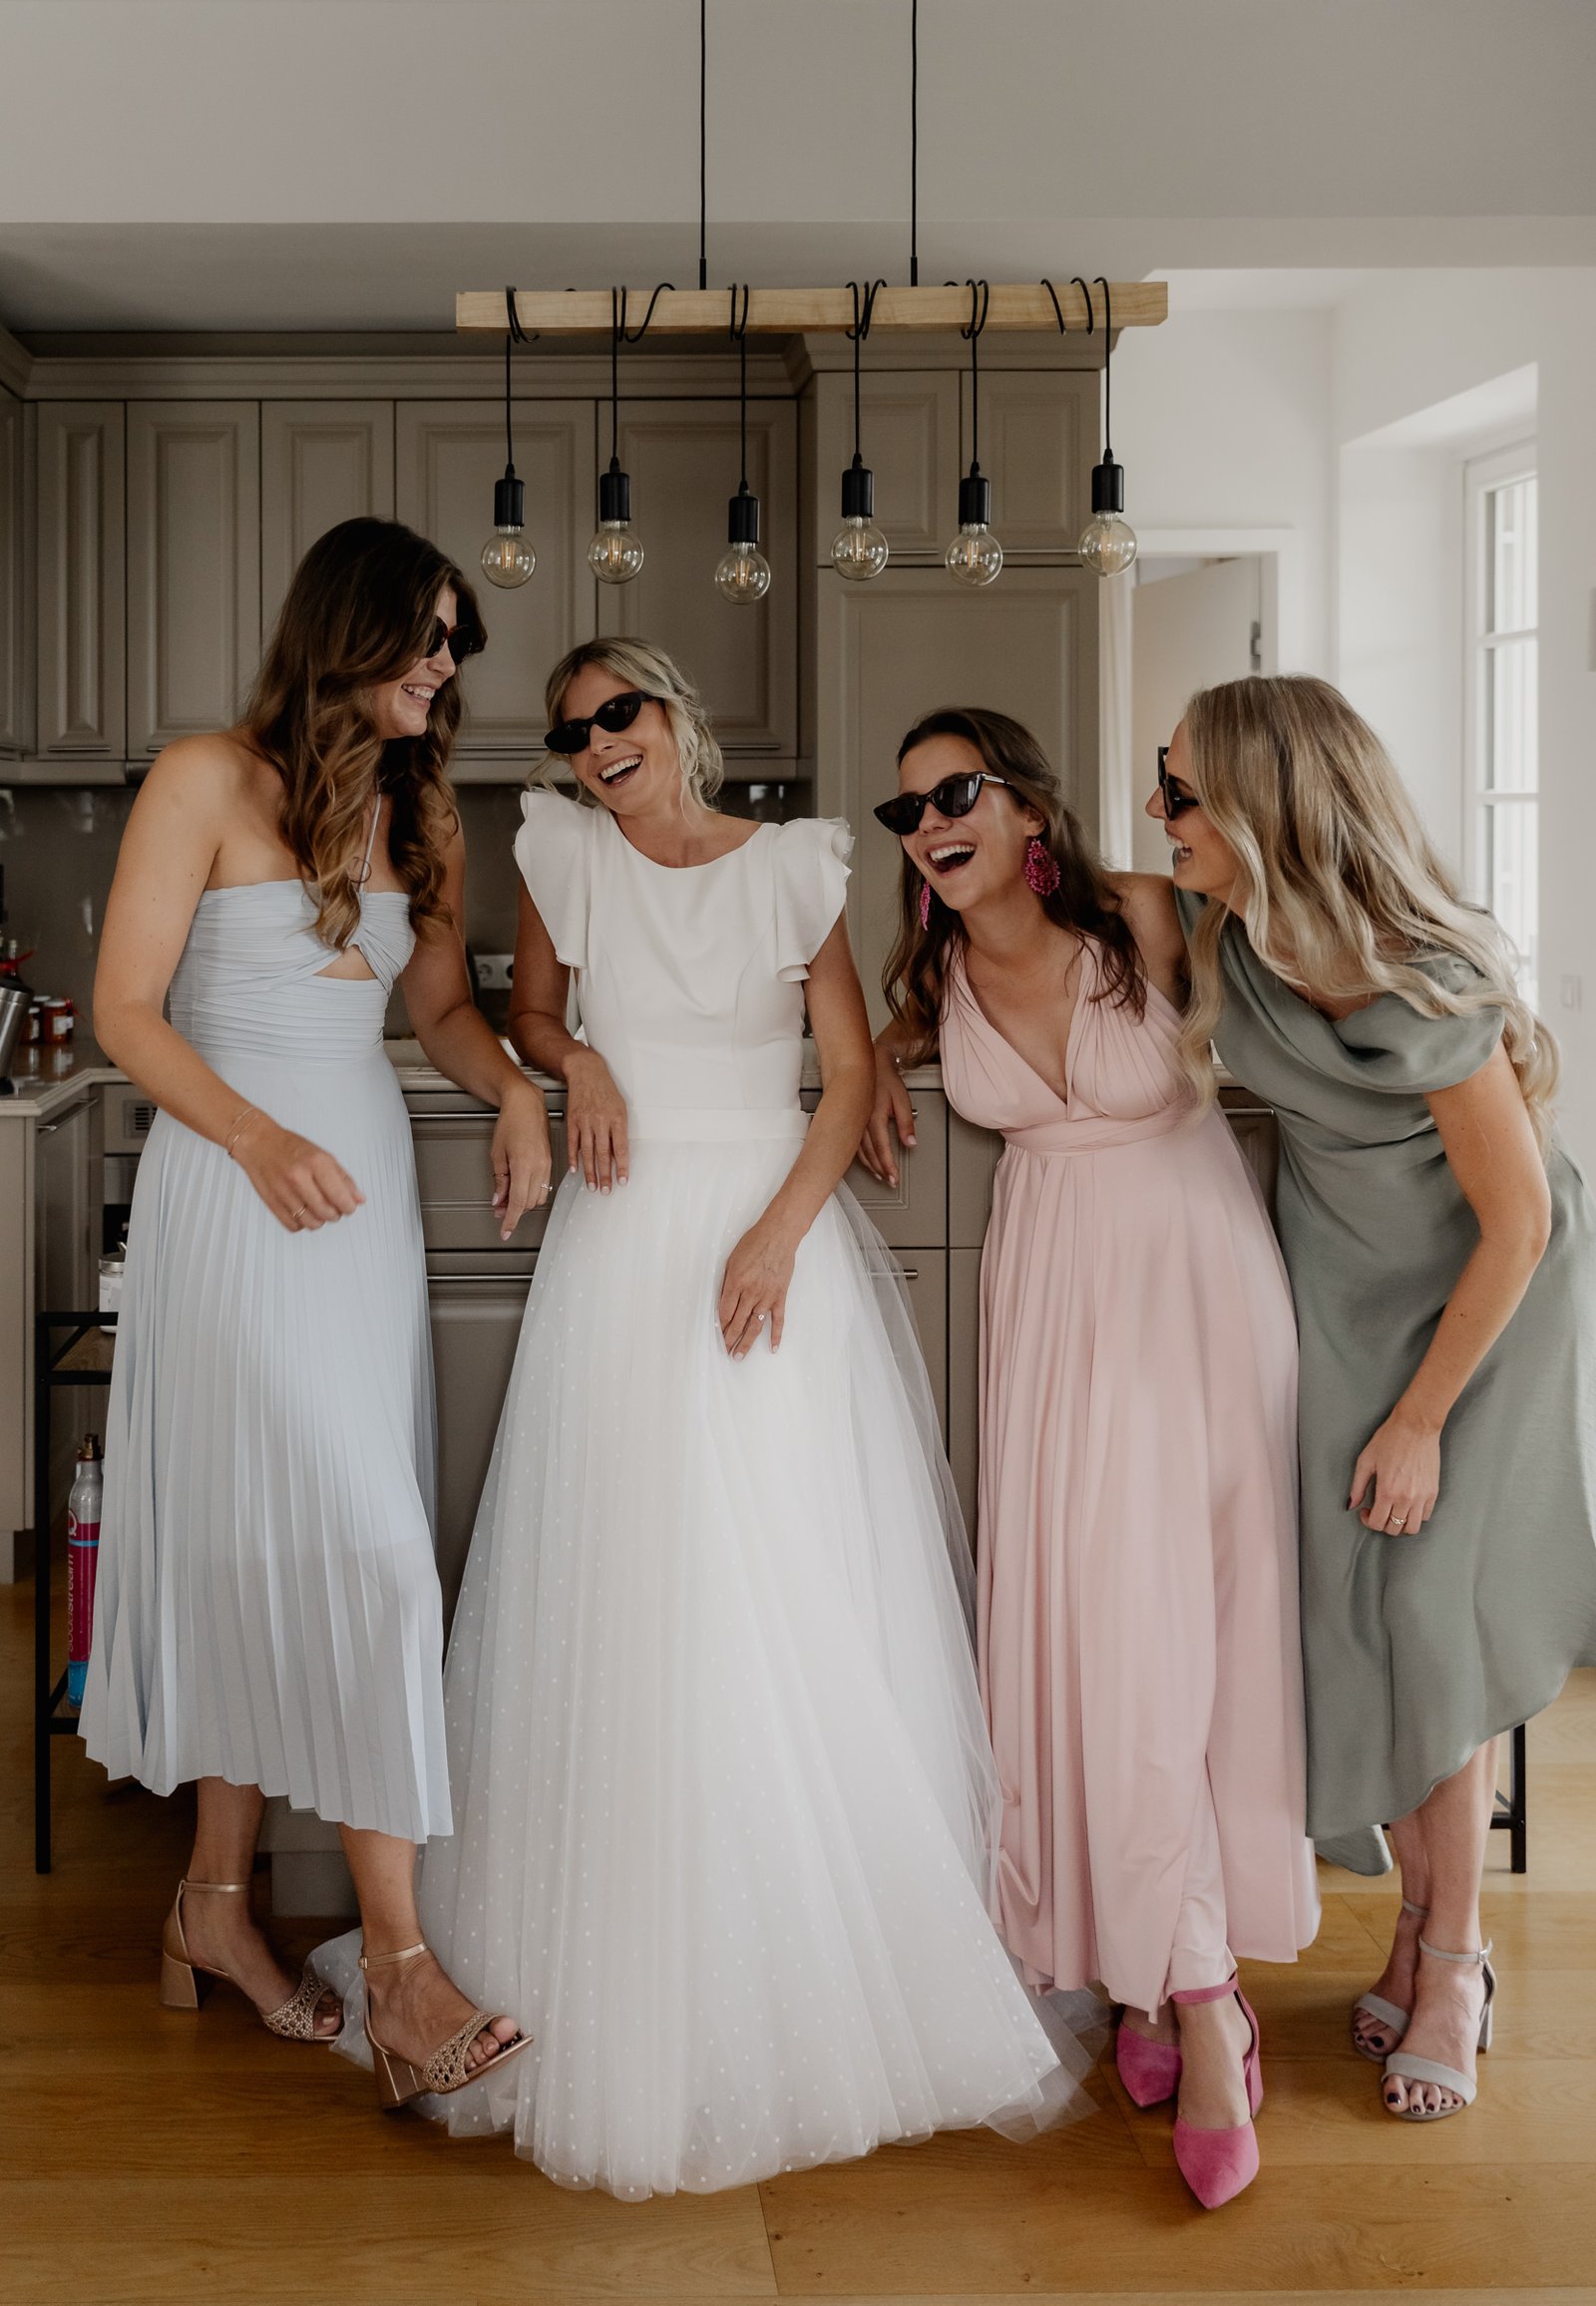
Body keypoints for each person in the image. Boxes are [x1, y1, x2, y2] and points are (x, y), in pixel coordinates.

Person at [314, 637, 1089, 2197]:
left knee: (782, 1593)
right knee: (628, 1586)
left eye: (621, 713)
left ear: (675, 718)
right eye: (572, 729)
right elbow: (526, 1014)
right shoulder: (563, 856)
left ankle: (804, 1962)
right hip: (619, 1242)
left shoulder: (797, 866)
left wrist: (778, 1236)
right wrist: (580, 1060)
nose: (598, 742)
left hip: (764, 1242)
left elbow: (847, 1073)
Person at [81, 518, 550, 2105]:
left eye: (456, 644)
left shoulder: (424, 810)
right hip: (237, 1199)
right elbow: (124, 1011)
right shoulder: (203, 778)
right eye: (428, 633)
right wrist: (257, 1139)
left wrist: (516, 1091)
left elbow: (440, 1006)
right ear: (347, 629)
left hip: (360, 1224)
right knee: (367, 1557)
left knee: (272, 1546)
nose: (445, 664)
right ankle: (405, 1979)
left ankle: (212, 1905)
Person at [860, 706, 1316, 2209]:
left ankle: (1199, 1997)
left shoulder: (1140, 913)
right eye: (908, 810)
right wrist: (870, 1064)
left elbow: (1299, 960)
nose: (931, 823)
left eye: (956, 792)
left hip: (1193, 1293)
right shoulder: (932, 975)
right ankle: (1162, 1970)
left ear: (1024, 805)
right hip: (1053, 1311)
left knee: (1180, 1646)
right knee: (1093, 1646)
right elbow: (872, 1047)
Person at [1151, 673, 1596, 2123]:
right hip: (1340, 1296)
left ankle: (1455, 1960)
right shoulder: (1227, 926)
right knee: (1351, 1621)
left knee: (1426, 1623)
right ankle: (1413, 1926)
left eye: (1182, 791)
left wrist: (1420, 1421)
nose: (1158, 812)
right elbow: (1042, 912)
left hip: (1480, 1311)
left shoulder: (1425, 975)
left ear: (1264, 804)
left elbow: (1519, 1223)